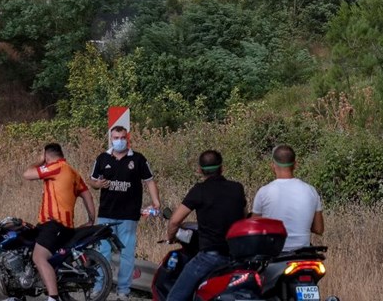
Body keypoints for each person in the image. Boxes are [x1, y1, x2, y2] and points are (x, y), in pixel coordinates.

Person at [88, 126, 161, 300]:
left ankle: (123, 291)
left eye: (122, 137)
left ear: (128, 139)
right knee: (102, 252)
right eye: (116, 137)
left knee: (127, 255)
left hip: (129, 214)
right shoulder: (102, 158)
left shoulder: (138, 159)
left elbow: (150, 181)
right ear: (110, 138)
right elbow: (91, 180)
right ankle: (99, 288)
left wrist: (156, 202)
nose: (119, 140)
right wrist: (98, 184)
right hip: (106, 213)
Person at [164, 150, 247, 301]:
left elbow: (175, 221)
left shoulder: (199, 190)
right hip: (237, 257)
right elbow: (243, 217)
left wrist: (171, 238)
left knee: (175, 297)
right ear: (222, 168)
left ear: (199, 170)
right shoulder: (237, 188)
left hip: (211, 257)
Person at [24, 142, 96, 301]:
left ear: (46, 154)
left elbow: (27, 174)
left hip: (54, 225)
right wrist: (91, 219)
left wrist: (39, 160)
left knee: (38, 257)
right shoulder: (74, 172)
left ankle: (53, 297)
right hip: (61, 226)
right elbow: (87, 196)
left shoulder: (56, 167)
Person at [250, 144, 323, 252]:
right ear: (295, 165)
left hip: (274, 255)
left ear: (273, 165)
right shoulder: (311, 190)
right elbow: (319, 229)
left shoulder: (264, 192)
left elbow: (254, 228)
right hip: (303, 255)